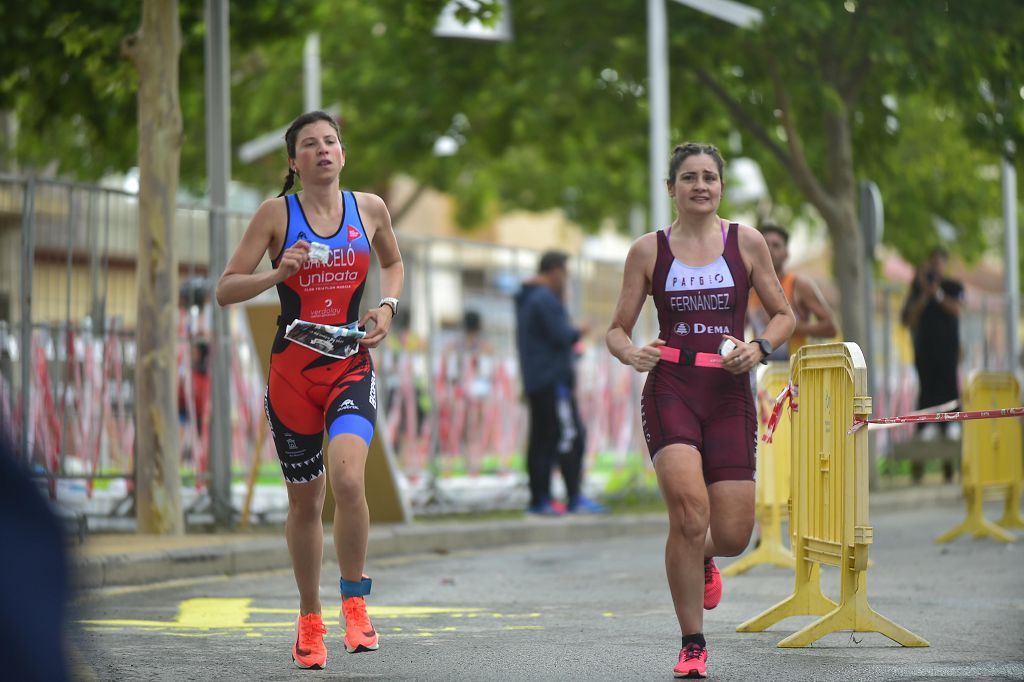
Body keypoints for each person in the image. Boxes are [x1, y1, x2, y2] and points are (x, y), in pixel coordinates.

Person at [216, 110, 404, 670]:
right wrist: (277, 274)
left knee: (349, 478)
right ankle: (309, 616)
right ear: (294, 162)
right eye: (310, 145)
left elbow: (392, 263)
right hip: (292, 377)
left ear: (343, 154)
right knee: (306, 501)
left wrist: (388, 306)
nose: (323, 150)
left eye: (331, 142)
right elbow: (226, 288)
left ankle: (354, 601)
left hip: (349, 366)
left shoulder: (370, 209)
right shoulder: (277, 214)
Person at [605, 142, 794, 678]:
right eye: (688, 177)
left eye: (709, 177)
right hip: (673, 388)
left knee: (731, 532)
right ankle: (692, 643)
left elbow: (784, 315)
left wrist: (759, 349)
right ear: (672, 189)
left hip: (729, 391)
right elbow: (615, 329)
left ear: (722, 187)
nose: (700, 186)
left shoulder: (747, 242)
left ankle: (703, 555)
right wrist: (630, 352)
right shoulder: (649, 251)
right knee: (689, 514)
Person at [515, 251, 607, 515]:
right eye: (565, 273)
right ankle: (570, 497)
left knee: (544, 439)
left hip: (539, 379)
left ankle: (541, 499)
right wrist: (581, 330)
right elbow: (562, 334)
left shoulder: (530, 297)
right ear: (554, 271)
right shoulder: (543, 299)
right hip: (552, 381)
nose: (565, 279)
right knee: (569, 436)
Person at [900, 246, 963, 481]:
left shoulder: (952, 287)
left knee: (950, 393)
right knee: (926, 394)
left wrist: (936, 292)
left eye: (939, 262)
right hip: (925, 355)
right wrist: (925, 293)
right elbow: (908, 319)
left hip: (948, 355)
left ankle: (951, 434)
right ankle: (925, 433)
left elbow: (956, 309)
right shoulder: (917, 291)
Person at [747, 224, 837, 360]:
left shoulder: (799, 285)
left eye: (776, 246)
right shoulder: (751, 288)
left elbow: (830, 328)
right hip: (764, 374)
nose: (770, 250)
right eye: (765, 245)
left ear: (786, 254)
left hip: (794, 373)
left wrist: (787, 325)